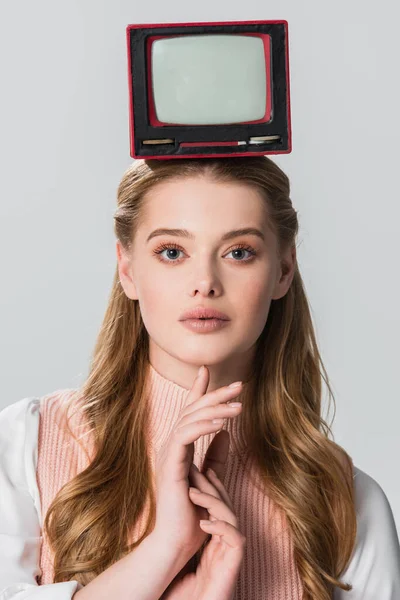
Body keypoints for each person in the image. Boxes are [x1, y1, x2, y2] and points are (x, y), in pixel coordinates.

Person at [1, 156, 399, 600]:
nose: (205, 283)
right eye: (172, 252)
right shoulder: (27, 445)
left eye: (239, 252)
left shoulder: (347, 501)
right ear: (127, 269)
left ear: (283, 271)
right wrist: (165, 550)